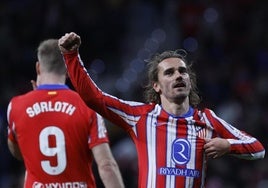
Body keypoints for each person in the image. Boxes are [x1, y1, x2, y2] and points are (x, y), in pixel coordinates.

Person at [58, 32, 265, 188]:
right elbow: (94, 97)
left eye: (183, 71)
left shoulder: (207, 119)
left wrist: (228, 145)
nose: (179, 76)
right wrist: (71, 56)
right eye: (170, 72)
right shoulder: (140, 116)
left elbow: (258, 149)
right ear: (156, 86)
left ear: (190, 82)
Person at [7, 39, 125, 188]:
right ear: (68, 71)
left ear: (38, 68)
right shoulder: (87, 106)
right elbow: (106, 165)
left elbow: (17, 151)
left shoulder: (16, 106)